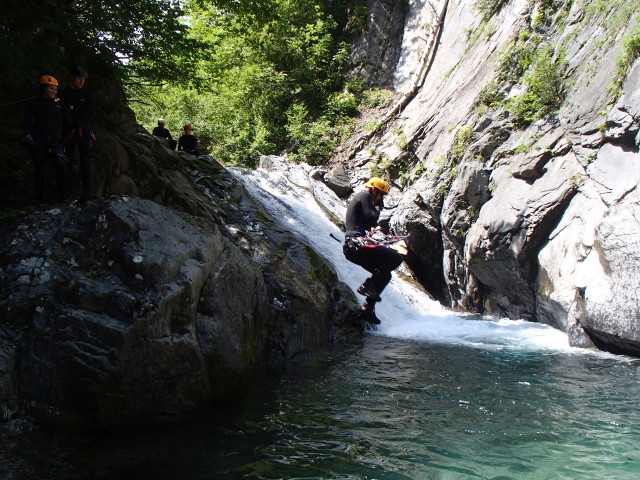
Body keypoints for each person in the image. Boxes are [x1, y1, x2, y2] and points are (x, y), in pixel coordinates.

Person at [343, 177, 403, 324]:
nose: (381, 198)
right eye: (381, 194)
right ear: (374, 189)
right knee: (396, 258)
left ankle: (368, 309)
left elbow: (369, 221)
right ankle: (369, 285)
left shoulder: (363, 199)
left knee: (385, 275)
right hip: (356, 246)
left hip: (355, 248)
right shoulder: (363, 195)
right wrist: (378, 206)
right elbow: (371, 217)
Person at [23, 75, 74, 204]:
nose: (53, 91)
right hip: (38, 140)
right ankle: (41, 200)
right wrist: (27, 135)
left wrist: (66, 137)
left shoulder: (59, 106)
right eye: (51, 88)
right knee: (40, 170)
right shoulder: (34, 104)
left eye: (55, 89)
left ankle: (63, 197)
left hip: (55, 141)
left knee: (61, 167)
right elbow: (27, 121)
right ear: (43, 88)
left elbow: (68, 123)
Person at [58, 65, 95, 202]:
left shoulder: (85, 95)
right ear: (72, 77)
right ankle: (65, 194)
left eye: (83, 79)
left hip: (82, 131)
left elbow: (91, 112)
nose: (81, 81)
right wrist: (74, 110)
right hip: (68, 131)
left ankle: (87, 194)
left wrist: (74, 109)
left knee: (85, 162)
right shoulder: (62, 93)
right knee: (67, 161)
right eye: (80, 78)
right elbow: (61, 110)